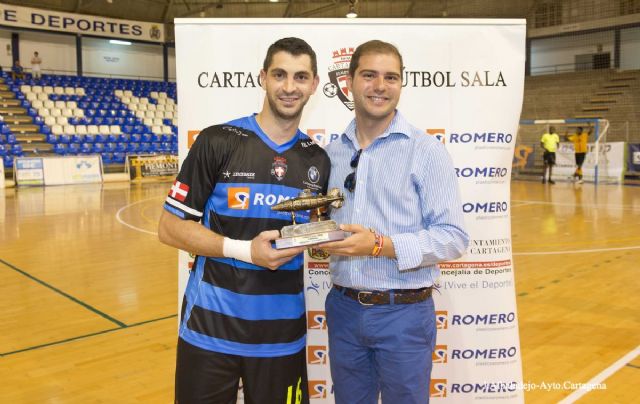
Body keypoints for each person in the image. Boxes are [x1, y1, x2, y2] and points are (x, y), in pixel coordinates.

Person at [158, 37, 329, 403]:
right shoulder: (217, 141)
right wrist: (245, 251)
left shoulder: (317, 160)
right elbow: (169, 227)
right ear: (263, 77)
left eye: (300, 77)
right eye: (280, 74)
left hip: (282, 338)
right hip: (209, 330)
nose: (289, 87)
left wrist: (329, 242)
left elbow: (314, 239)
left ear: (314, 85)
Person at [319, 40, 469, 403]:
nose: (380, 86)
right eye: (369, 75)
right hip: (344, 309)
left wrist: (379, 245)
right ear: (350, 82)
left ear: (401, 84)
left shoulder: (425, 150)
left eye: (391, 77)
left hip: (403, 314)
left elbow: (453, 238)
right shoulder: (330, 153)